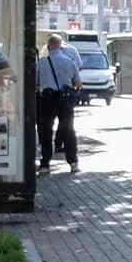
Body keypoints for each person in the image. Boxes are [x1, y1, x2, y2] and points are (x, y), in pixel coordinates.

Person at [37, 34, 82, 173]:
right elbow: (78, 83)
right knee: (68, 130)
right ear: (61, 46)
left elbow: (36, 83)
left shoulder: (42, 63)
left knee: (45, 131)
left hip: (47, 99)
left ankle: (45, 164)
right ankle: (73, 163)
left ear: (49, 46)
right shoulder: (70, 62)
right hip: (65, 100)